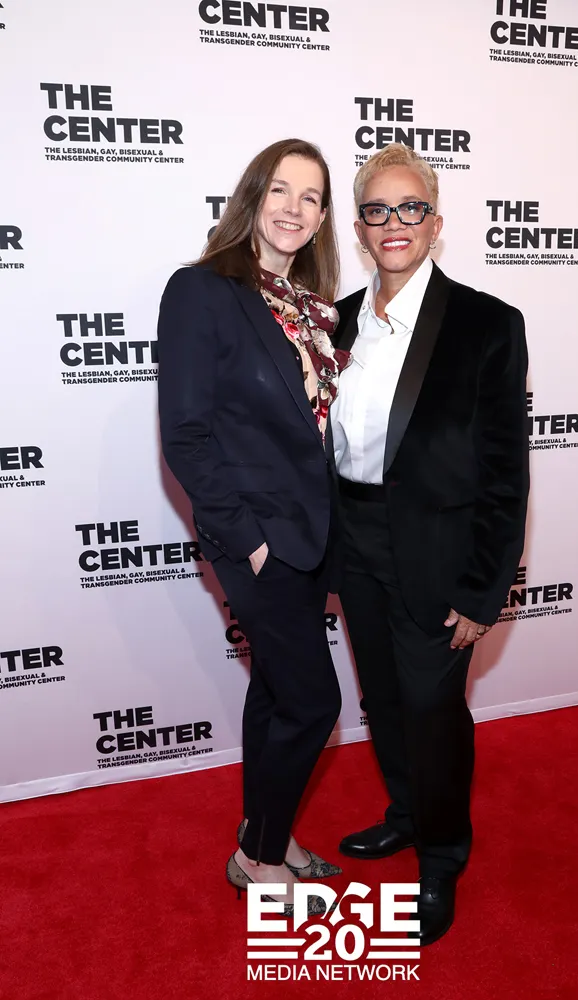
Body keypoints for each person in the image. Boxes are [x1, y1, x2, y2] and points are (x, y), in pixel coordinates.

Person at [331, 144, 530, 945]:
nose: (394, 223)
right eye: (376, 210)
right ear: (359, 228)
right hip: (352, 538)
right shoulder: (334, 321)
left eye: (409, 208)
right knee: (382, 699)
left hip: (439, 555)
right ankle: (406, 815)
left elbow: (505, 473)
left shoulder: (487, 324)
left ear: (435, 223)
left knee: (431, 709)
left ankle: (442, 855)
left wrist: (484, 589)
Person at [157, 139, 349, 916]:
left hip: (312, 535)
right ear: (251, 197)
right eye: (279, 189)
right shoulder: (203, 290)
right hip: (257, 540)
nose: (293, 208)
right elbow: (186, 437)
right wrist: (250, 541)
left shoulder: (308, 306)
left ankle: (266, 830)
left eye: (310, 196)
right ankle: (258, 859)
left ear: (322, 216)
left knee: (274, 692)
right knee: (313, 703)